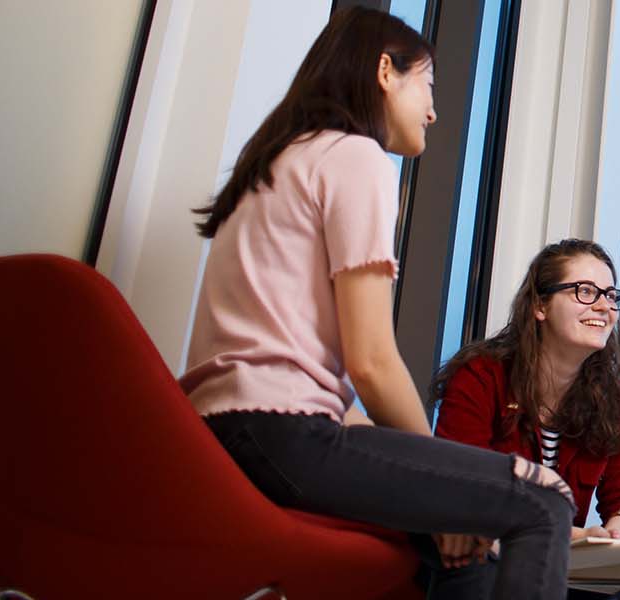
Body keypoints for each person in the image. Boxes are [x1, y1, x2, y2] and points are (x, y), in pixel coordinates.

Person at [179, 8, 575, 598]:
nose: (434, 110)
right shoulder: (355, 156)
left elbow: (297, 367)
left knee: (464, 561)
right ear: (385, 71)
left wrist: (444, 500)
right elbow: (371, 360)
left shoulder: (274, 164)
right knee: (544, 498)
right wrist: (446, 494)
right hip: (285, 435)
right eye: (429, 87)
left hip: (221, 436)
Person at [426, 239, 620, 596]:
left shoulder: (616, 400)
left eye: (611, 295)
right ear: (540, 305)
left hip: (561, 569)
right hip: (480, 556)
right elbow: (463, 485)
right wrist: (572, 534)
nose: (604, 306)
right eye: (585, 291)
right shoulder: (481, 375)